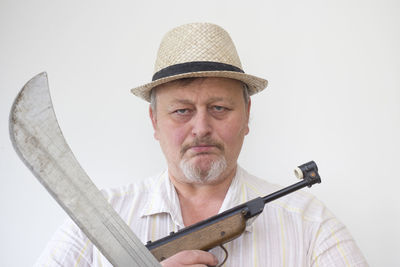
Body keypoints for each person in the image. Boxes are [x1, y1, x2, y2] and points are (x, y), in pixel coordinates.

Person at [35, 22, 368, 266]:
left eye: (219, 108)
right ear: (154, 122)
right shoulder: (97, 221)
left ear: (247, 115)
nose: (201, 128)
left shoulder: (309, 223)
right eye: (181, 111)